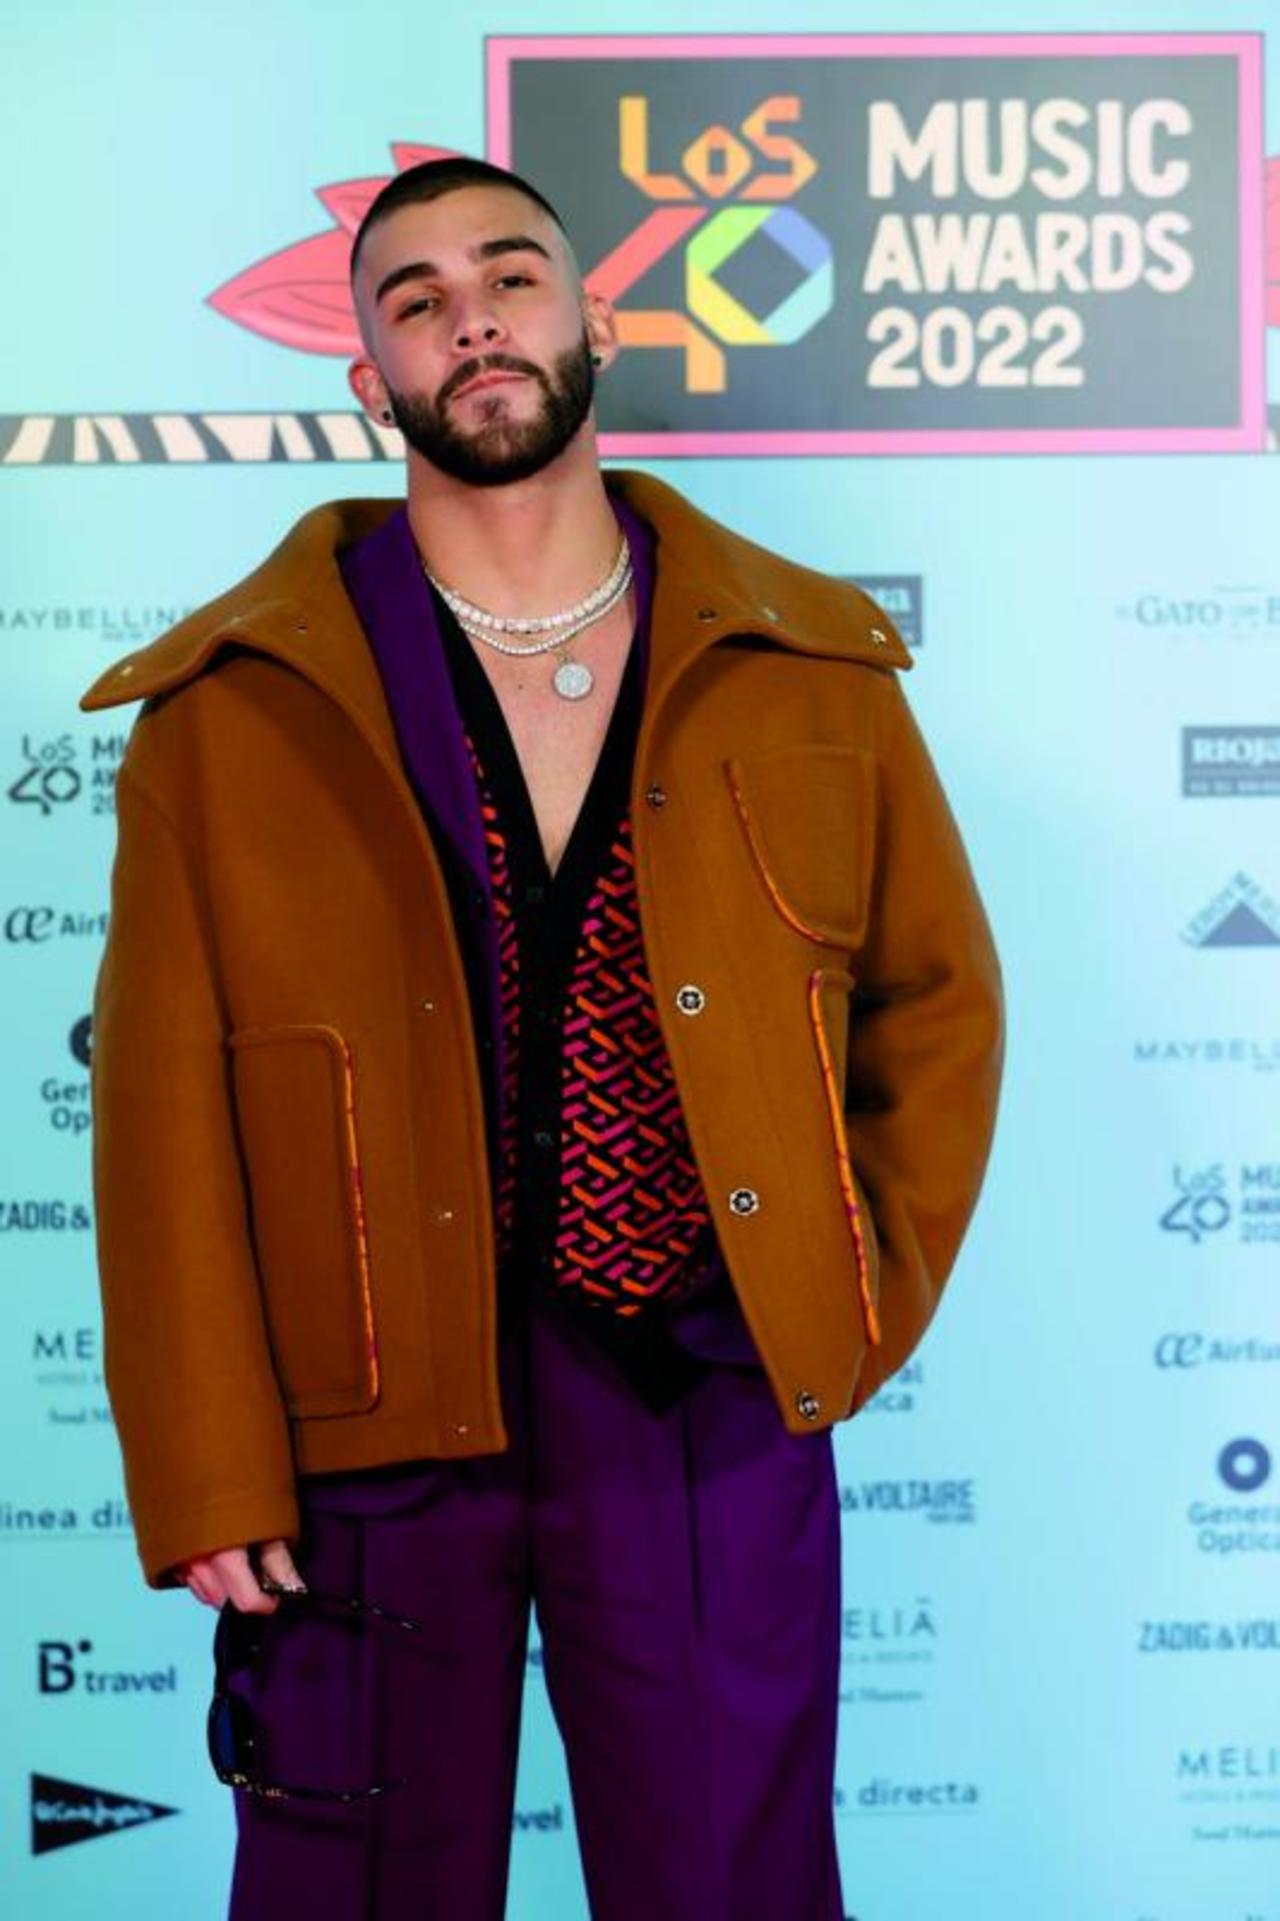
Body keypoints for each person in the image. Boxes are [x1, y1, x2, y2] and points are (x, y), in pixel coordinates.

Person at [80, 154, 1004, 1920]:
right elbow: (158, 1120)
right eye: (416, 300)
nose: (473, 318)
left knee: (732, 1886)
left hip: (700, 1400)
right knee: (348, 1890)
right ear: (371, 379)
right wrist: (207, 1455)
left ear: (598, 321)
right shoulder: (229, 713)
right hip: (362, 1428)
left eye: (511, 275)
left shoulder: (803, 662)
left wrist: (835, 1299)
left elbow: (938, 1006)